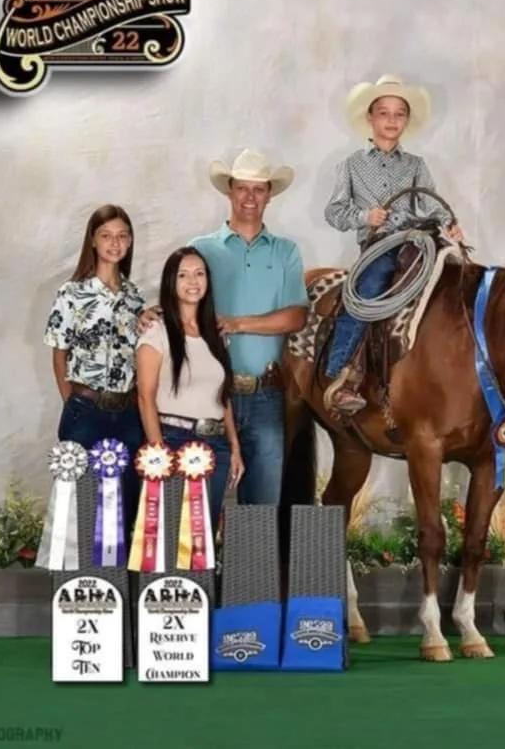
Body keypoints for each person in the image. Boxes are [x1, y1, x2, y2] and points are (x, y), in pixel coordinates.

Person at [139, 148, 308, 507]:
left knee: (260, 505)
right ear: (229, 191)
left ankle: (248, 565)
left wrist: (237, 323)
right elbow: (182, 295)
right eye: (242, 188)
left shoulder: (286, 252)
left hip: (264, 392)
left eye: (259, 189)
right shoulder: (202, 249)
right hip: (209, 393)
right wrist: (154, 312)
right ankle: (194, 564)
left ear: (269, 195)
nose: (250, 197)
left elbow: (297, 316)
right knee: (197, 505)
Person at [322, 74, 465, 416]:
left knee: (455, 282)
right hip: (379, 245)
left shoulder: (417, 165)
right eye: (383, 113)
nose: (391, 120)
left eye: (399, 113)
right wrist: (364, 217)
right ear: (370, 118)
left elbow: (432, 204)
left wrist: (449, 223)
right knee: (368, 290)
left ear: (406, 120)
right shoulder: (351, 166)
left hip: (417, 242)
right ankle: (342, 374)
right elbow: (334, 212)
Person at [43, 204, 145, 539]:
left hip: (128, 411)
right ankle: (80, 581)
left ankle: (116, 579)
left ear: (129, 242)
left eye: (122, 236)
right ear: (93, 241)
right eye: (106, 236)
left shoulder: (135, 297)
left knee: (126, 500)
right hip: (85, 408)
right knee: (82, 501)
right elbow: (60, 353)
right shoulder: (72, 294)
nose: (115, 244)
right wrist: (71, 400)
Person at [135, 247, 243, 534]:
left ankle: (201, 580)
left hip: (216, 445)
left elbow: (224, 396)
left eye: (199, 274)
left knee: (203, 535)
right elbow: (145, 396)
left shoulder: (216, 334)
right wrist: (159, 453)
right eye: (183, 275)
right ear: (171, 282)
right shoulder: (156, 331)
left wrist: (234, 446)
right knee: (174, 536)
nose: (192, 281)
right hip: (175, 439)